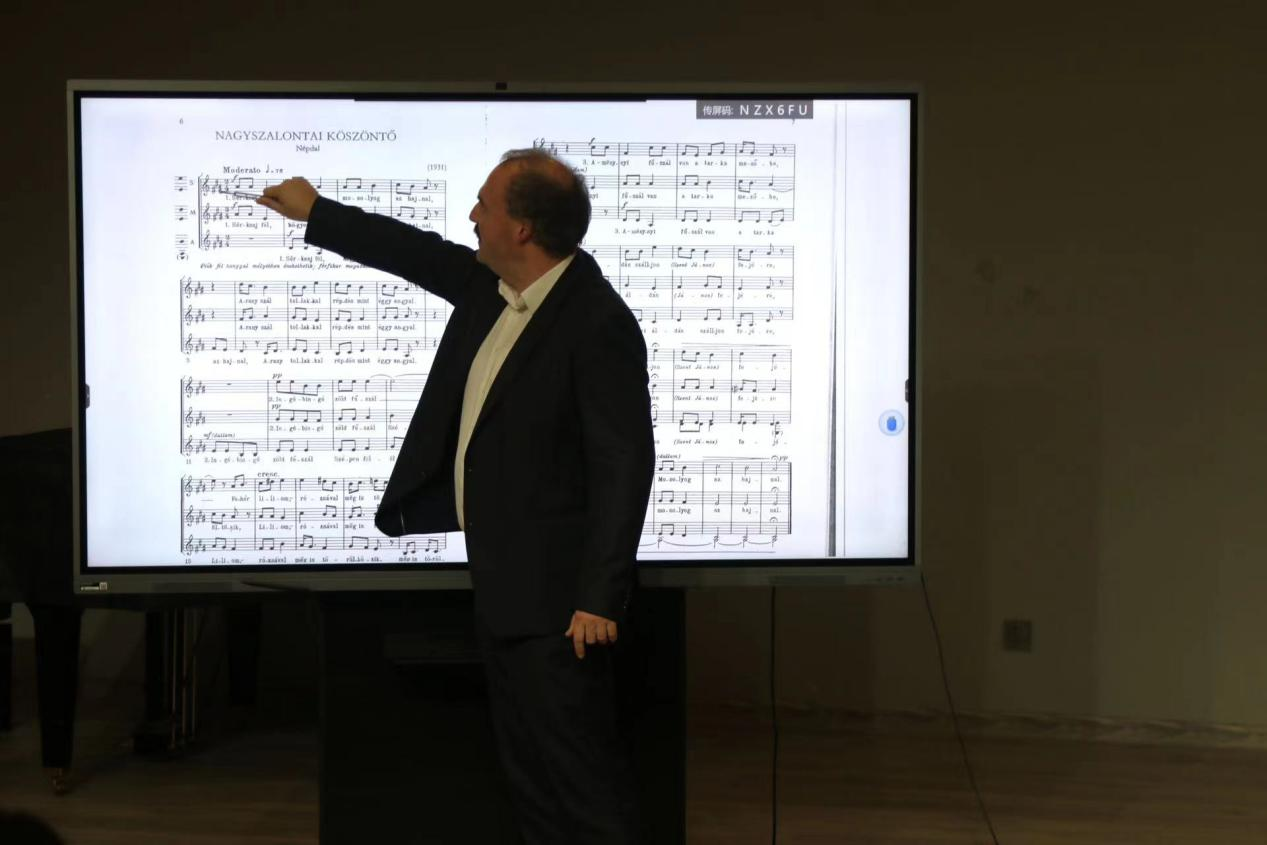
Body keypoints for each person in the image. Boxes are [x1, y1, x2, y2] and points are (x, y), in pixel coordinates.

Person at [259, 149, 654, 844]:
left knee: (583, 788)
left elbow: (624, 463)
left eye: (485, 205)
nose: (472, 216)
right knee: (531, 783)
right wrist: (316, 212)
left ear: (522, 228)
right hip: (504, 591)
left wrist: (598, 597)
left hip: (561, 610)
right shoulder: (491, 289)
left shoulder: (595, 320)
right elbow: (414, 252)